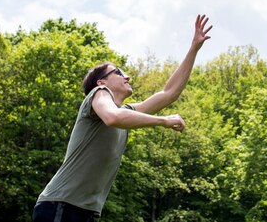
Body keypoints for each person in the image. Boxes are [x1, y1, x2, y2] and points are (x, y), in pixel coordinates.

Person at [32, 14, 213, 222]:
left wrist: (194, 49)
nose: (127, 77)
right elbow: (112, 117)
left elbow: (169, 93)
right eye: (119, 72)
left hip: (84, 211)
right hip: (60, 205)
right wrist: (163, 121)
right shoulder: (98, 95)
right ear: (101, 82)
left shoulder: (126, 112)